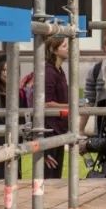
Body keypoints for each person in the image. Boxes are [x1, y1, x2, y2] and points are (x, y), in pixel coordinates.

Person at [39, 36, 72, 178]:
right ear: (54, 50)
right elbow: (46, 102)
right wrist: (71, 106)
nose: (68, 48)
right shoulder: (49, 72)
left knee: (56, 175)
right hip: (50, 130)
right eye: (64, 46)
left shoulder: (59, 71)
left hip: (59, 130)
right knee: (49, 175)